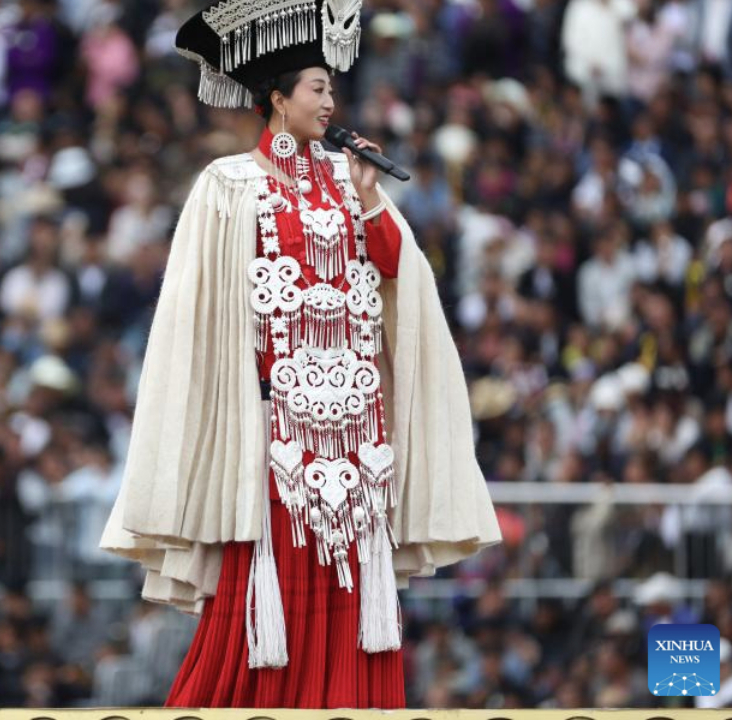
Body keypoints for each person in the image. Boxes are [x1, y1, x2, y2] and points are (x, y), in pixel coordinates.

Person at [101, 0, 502, 708]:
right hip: (274, 434)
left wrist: (373, 202)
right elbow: (202, 315)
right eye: (318, 88)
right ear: (278, 99)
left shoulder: (352, 181)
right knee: (261, 597)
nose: (331, 101)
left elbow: (395, 280)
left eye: (331, 88)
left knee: (353, 603)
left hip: (354, 439)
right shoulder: (228, 185)